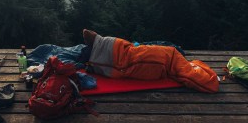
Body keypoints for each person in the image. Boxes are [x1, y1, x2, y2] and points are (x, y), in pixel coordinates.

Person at [82, 29, 219, 93]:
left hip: (159, 59)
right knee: (129, 52)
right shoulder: (180, 61)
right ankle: (96, 49)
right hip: (163, 55)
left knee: (125, 61)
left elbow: (209, 85)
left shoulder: (178, 65)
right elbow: (207, 80)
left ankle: (95, 49)